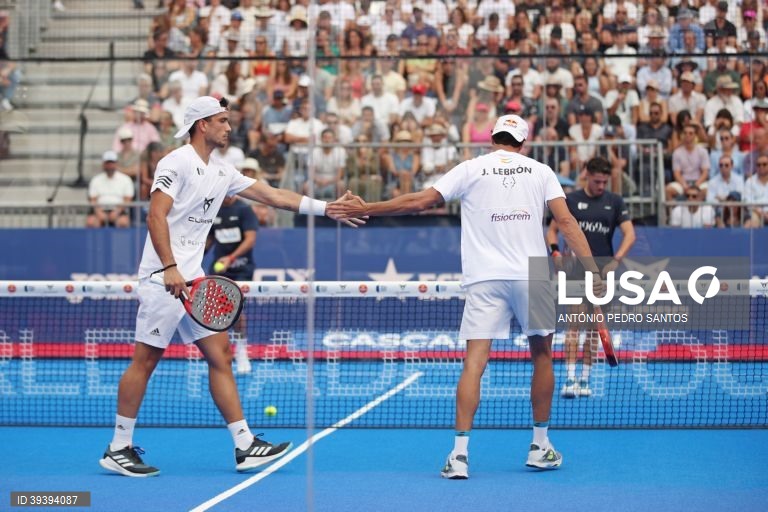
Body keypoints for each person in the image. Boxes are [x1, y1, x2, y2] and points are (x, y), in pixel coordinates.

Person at [99, 96, 362, 477]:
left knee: (220, 356)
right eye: (222, 120)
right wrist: (170, 267)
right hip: (164, 279)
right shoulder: (175, 162)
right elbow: (156, 215)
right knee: (146, 360)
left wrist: (326, 209)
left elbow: (273, 195)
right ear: (202, 124)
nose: (228, 126)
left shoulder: (223, 170)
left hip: (193, 280)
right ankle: (118, 447)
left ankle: (245, 445)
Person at [327, 114, 602, 477]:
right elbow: (566, 223)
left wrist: (368, 208)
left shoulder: (471, 168)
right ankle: (540, 446)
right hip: (532, 275)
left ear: (492, 139)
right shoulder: (541, 170)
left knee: (475, 360)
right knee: (542, 356)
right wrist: (593, 272)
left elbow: (419, 201)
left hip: (484, 277)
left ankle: (458, 455)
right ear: (523, 142)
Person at [545, 157, 636, 398]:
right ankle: (570, 378)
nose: (601, 186)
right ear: (586, 175)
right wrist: (555, 252)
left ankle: (585, 380)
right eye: (597, 181)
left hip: (602, 272)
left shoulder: (614, 201)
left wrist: (616, 261)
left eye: (605, 182)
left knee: (594, 329)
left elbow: (630, 234)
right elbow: (552, 230)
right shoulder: (572, 200)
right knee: (574, 324)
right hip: (575, 270)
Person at [207, 194, 259, 374]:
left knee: (234, 310)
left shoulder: (244, 209)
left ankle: (242, 349)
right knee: (216, 312)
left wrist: (230, 258)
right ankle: (219, 351)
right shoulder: (214, 209)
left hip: (241, 268)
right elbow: (210, 238)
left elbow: (250, 239)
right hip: (219, 269)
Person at [86, 151, 135, 228]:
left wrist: (117, 212)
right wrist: (99, 212)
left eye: (112, 163)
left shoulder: (125, 179)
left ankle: (120, 240)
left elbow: (127, 199)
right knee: (91, 222)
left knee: (123, 222)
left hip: (119, 210)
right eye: (107, 163)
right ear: (103, 164)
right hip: (100, 210)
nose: (110, 166)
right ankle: (96, 240)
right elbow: (93, 199)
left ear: (116, 164)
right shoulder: (96, 180)